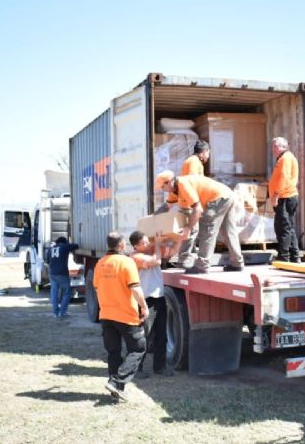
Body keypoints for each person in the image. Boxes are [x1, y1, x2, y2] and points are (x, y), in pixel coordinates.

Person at [93, 232, 149, 402]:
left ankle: (115, 390)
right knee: (137, 348)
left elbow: (97, 288)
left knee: (113, 352)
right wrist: (144, 307)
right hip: (126, 315)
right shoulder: (127, 262)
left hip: (106, 314)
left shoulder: (100, 263)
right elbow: (136, 289)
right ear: (122, 245)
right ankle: (117, 382)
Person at [155, 171, 244, 274]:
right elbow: (167, 206)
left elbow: (198, 210)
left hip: (219, 198)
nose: (163, 190)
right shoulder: (174, 190)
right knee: (228, 231)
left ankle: (202, 265)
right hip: (227, 195)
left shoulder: (183, 186)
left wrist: (188, 228)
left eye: (162, 187)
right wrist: (152, 217)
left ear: (168, 182)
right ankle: (237, 263)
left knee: (207, 228)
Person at [129, 231, 175, 378]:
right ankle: (138, 368)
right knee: (144, 336)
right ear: (136, 245)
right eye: (144, 242)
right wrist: (157, 243)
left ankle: (160, 367)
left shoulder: (151, 252)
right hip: (146, 301)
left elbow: (173, 251)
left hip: (159, 298)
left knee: (161, 335)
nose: (147, 244)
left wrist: (179, 239)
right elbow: (157, 261)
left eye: (146, 242)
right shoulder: (135, 256)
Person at [176, 140, 211, 265]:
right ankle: (183, 258)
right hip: (189, 203)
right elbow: (192, 182)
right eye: (208, 153)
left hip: (189, 201)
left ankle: (190, 254)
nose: (208, 156)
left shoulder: (193, 162)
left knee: (191, 230)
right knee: (191, 230)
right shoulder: (194, 162)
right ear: (203, 152)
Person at [268, 137, 300, 263]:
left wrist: (275, 194)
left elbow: (283, 178)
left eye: (275, 146)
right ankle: (294, 255)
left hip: (285, 197)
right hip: (287, 196)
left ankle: (284, 256)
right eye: (273, 146)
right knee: (288, 227)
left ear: (283, 147)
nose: (273, 149)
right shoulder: (284, 158)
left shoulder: (285, 158)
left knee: (282, 227)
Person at [46, 237, 79, 318]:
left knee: (54, 293)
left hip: (52, 273)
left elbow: (47, 261)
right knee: (67, 292)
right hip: (62, 273)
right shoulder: (64, 246)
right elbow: (76, 246)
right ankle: (62, 312)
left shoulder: (50, 249)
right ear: (64, 242)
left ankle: (55, 313)